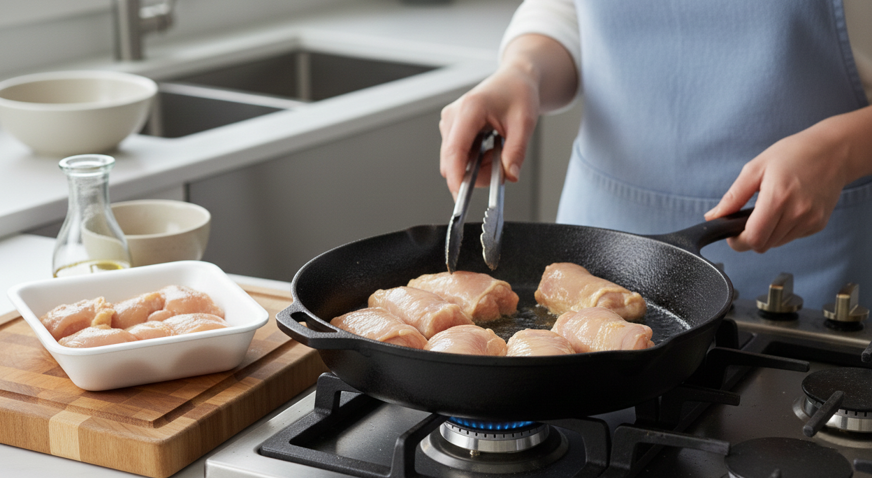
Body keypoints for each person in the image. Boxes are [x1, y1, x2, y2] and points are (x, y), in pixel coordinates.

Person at [439, 0, 872, 309]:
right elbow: (570, 10)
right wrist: (523, 71)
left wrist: (840, 151)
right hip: (602, 237)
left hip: (802, 265)